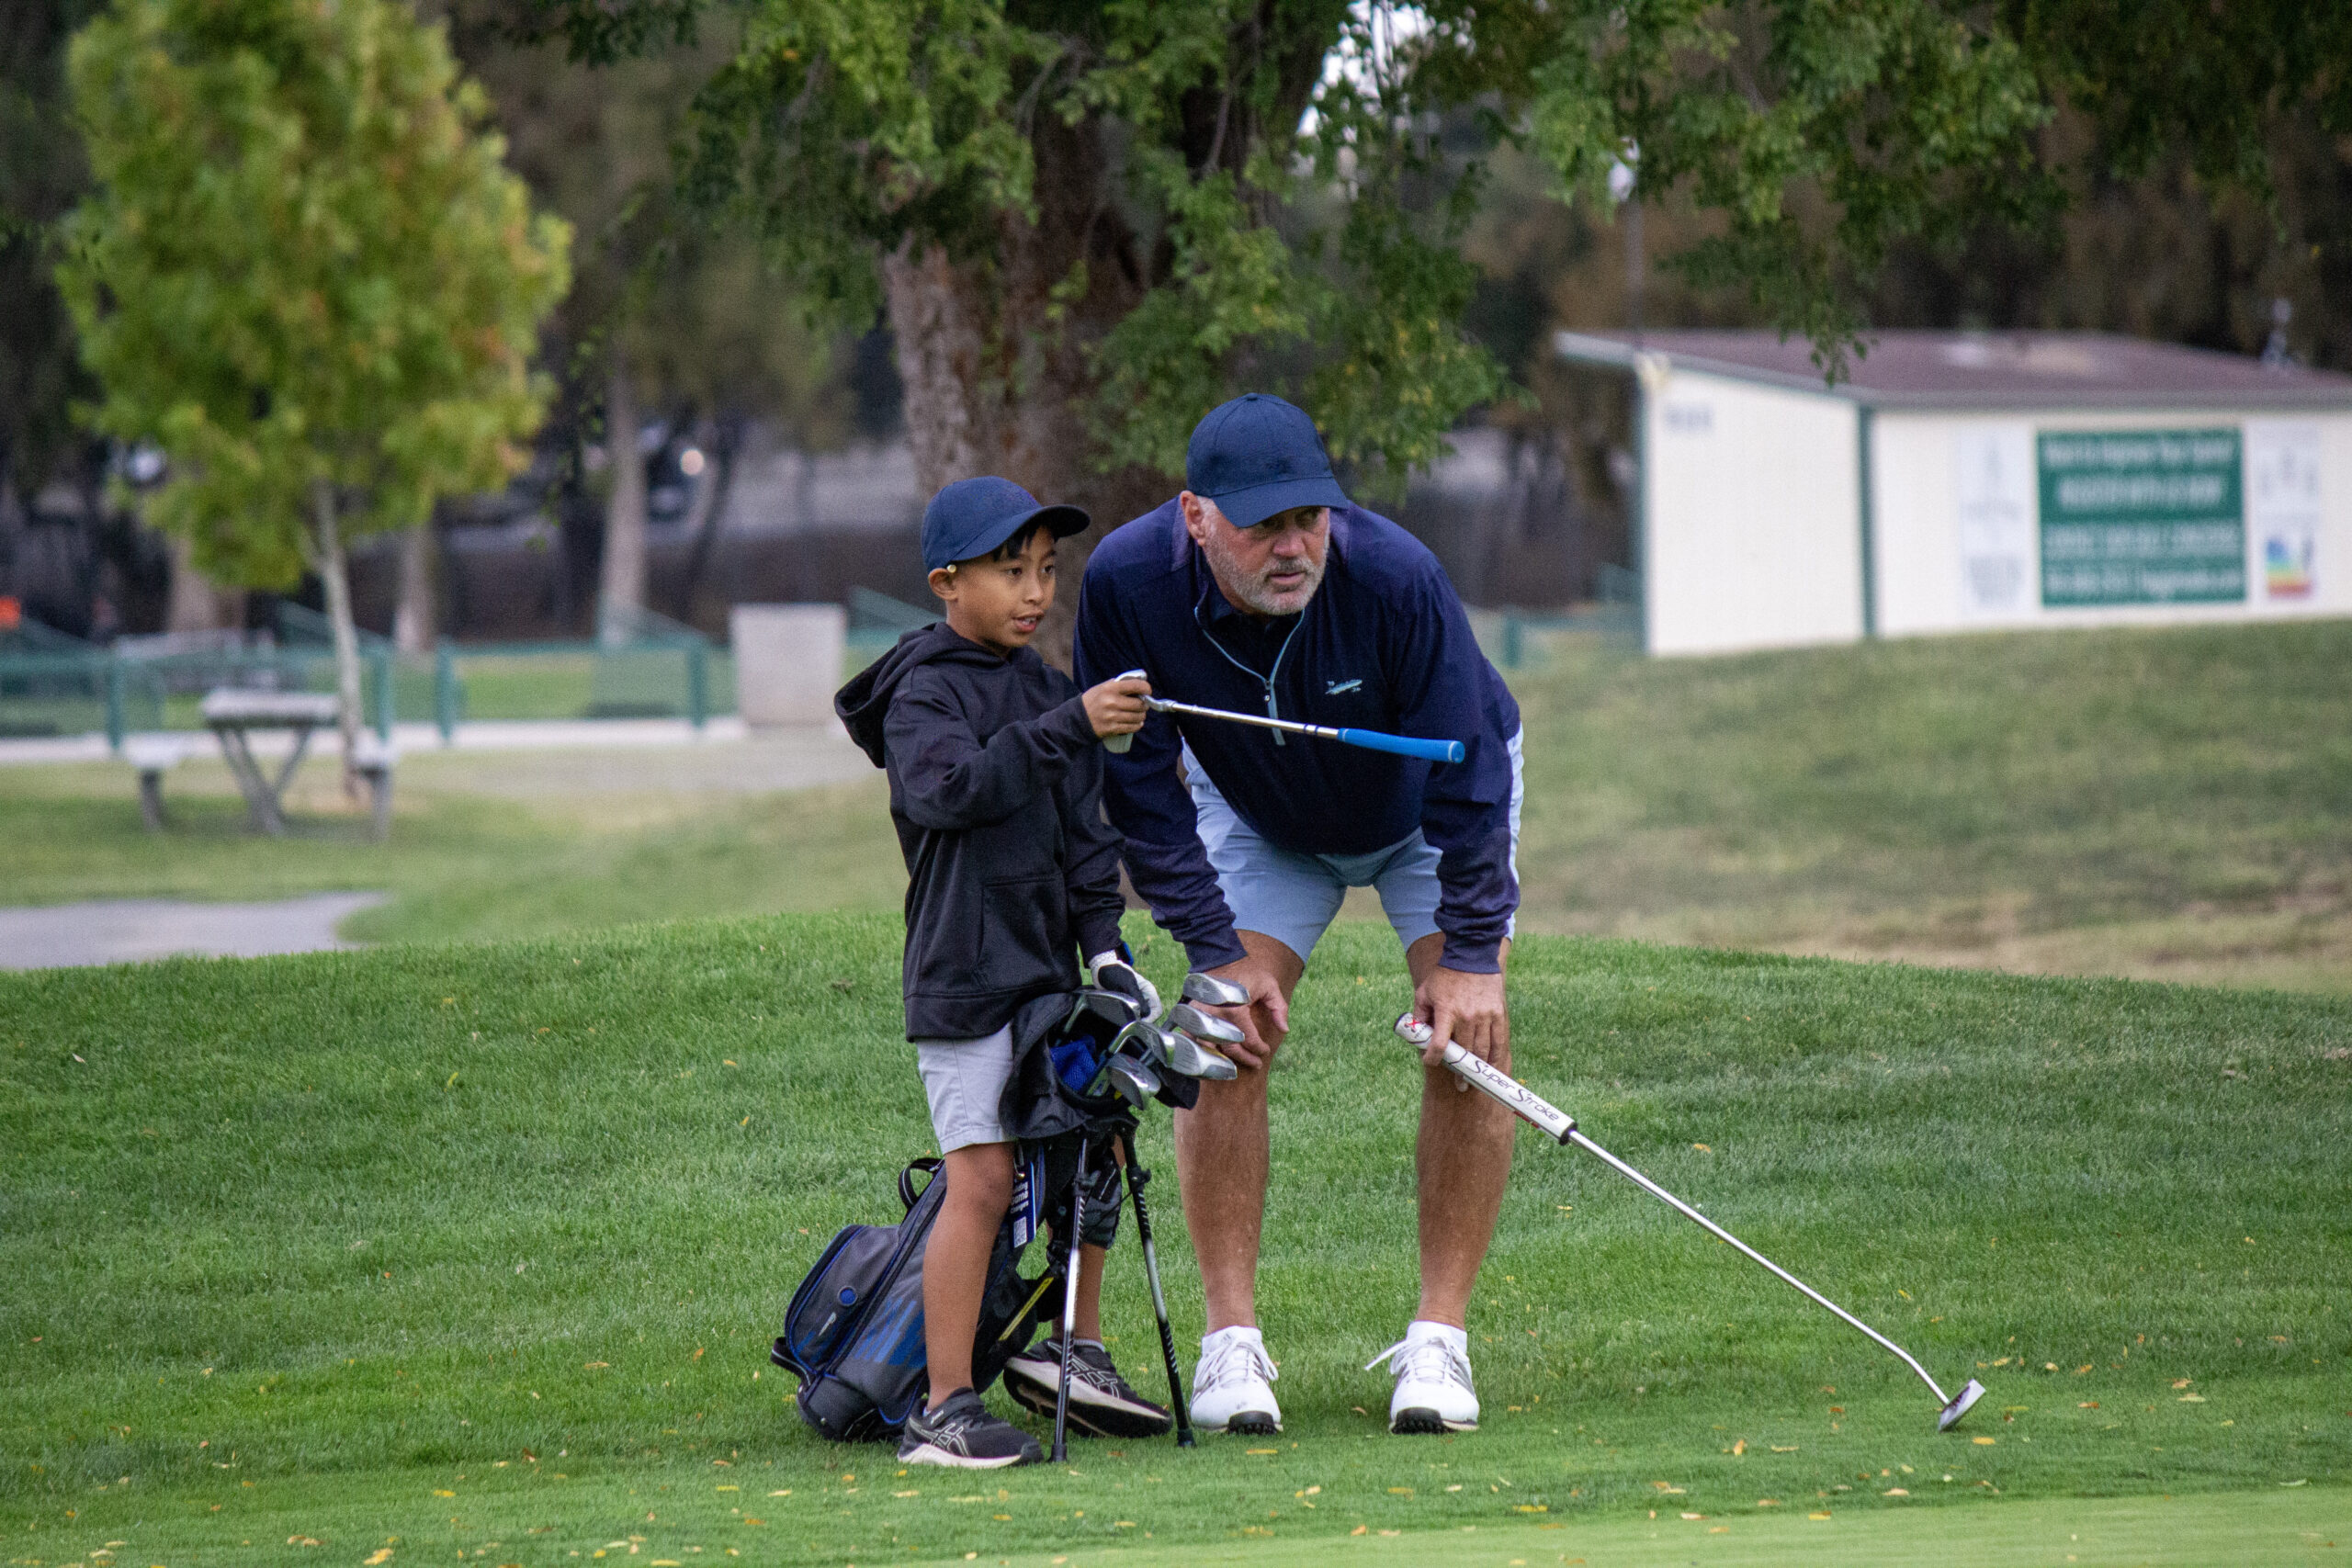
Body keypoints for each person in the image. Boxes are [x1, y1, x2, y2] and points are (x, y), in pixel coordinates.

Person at [1073, 393, 1522, 1438]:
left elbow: (1471, 772)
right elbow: (1138, 788)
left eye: (1308, 519)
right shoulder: (1126, 584)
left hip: (1428, 814)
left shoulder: (1395, 576)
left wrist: (1468, 953)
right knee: (1219, 1031)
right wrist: (1215, 948)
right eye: (1262, 524)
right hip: (1261, 816)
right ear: (1194, 518)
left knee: (1468, 1043)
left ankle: (1439, 1344)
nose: (1292, 546)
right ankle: (1230, 1345)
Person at [834, 476, 1169, 1467]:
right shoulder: (922, 689)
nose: (1034, 592)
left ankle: (1076, 1350)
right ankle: (943, 1407)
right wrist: (1074, 725)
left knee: (1099, 1144)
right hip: (962, 979)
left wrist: (1107, 954)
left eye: (1045, 571)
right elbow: (953, 791)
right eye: (1009, 571)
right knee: (981, 1180)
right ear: (947, 582)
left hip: (1048, 979)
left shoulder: (1046, 688)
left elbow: (1082, 845)